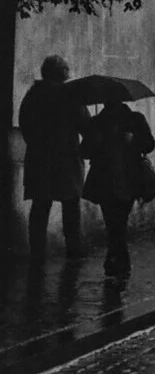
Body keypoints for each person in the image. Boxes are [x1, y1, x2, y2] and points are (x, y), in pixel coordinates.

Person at [19, 55, 89, 260]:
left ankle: (37, 254)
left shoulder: (33, 95)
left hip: (39, 159)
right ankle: (73, 251)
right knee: (71, 207)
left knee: (40, 207)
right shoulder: (71, 96)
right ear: (63, 74)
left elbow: (25, 125)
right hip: (66, 160)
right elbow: (85, 125)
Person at [81, 97, 155, 277]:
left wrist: (133, 139)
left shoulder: (133, 120)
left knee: (116, 221)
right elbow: (85, 150)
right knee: (116, 222)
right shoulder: (98, 122)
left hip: (124, 179)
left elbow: (149, 144)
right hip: (115, 179)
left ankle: (116, 259)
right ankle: (119, 260)